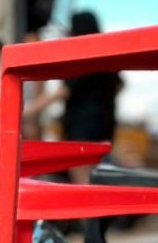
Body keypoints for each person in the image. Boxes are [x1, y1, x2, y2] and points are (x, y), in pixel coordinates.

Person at [24, 11, 122, 182]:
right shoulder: (106, 57)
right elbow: (120, 85)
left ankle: (93, 209)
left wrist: (28, 110)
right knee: (94, 180)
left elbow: (63, 91)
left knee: (83, 183)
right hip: (104, 128)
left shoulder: (84, 56)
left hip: (82, 130)